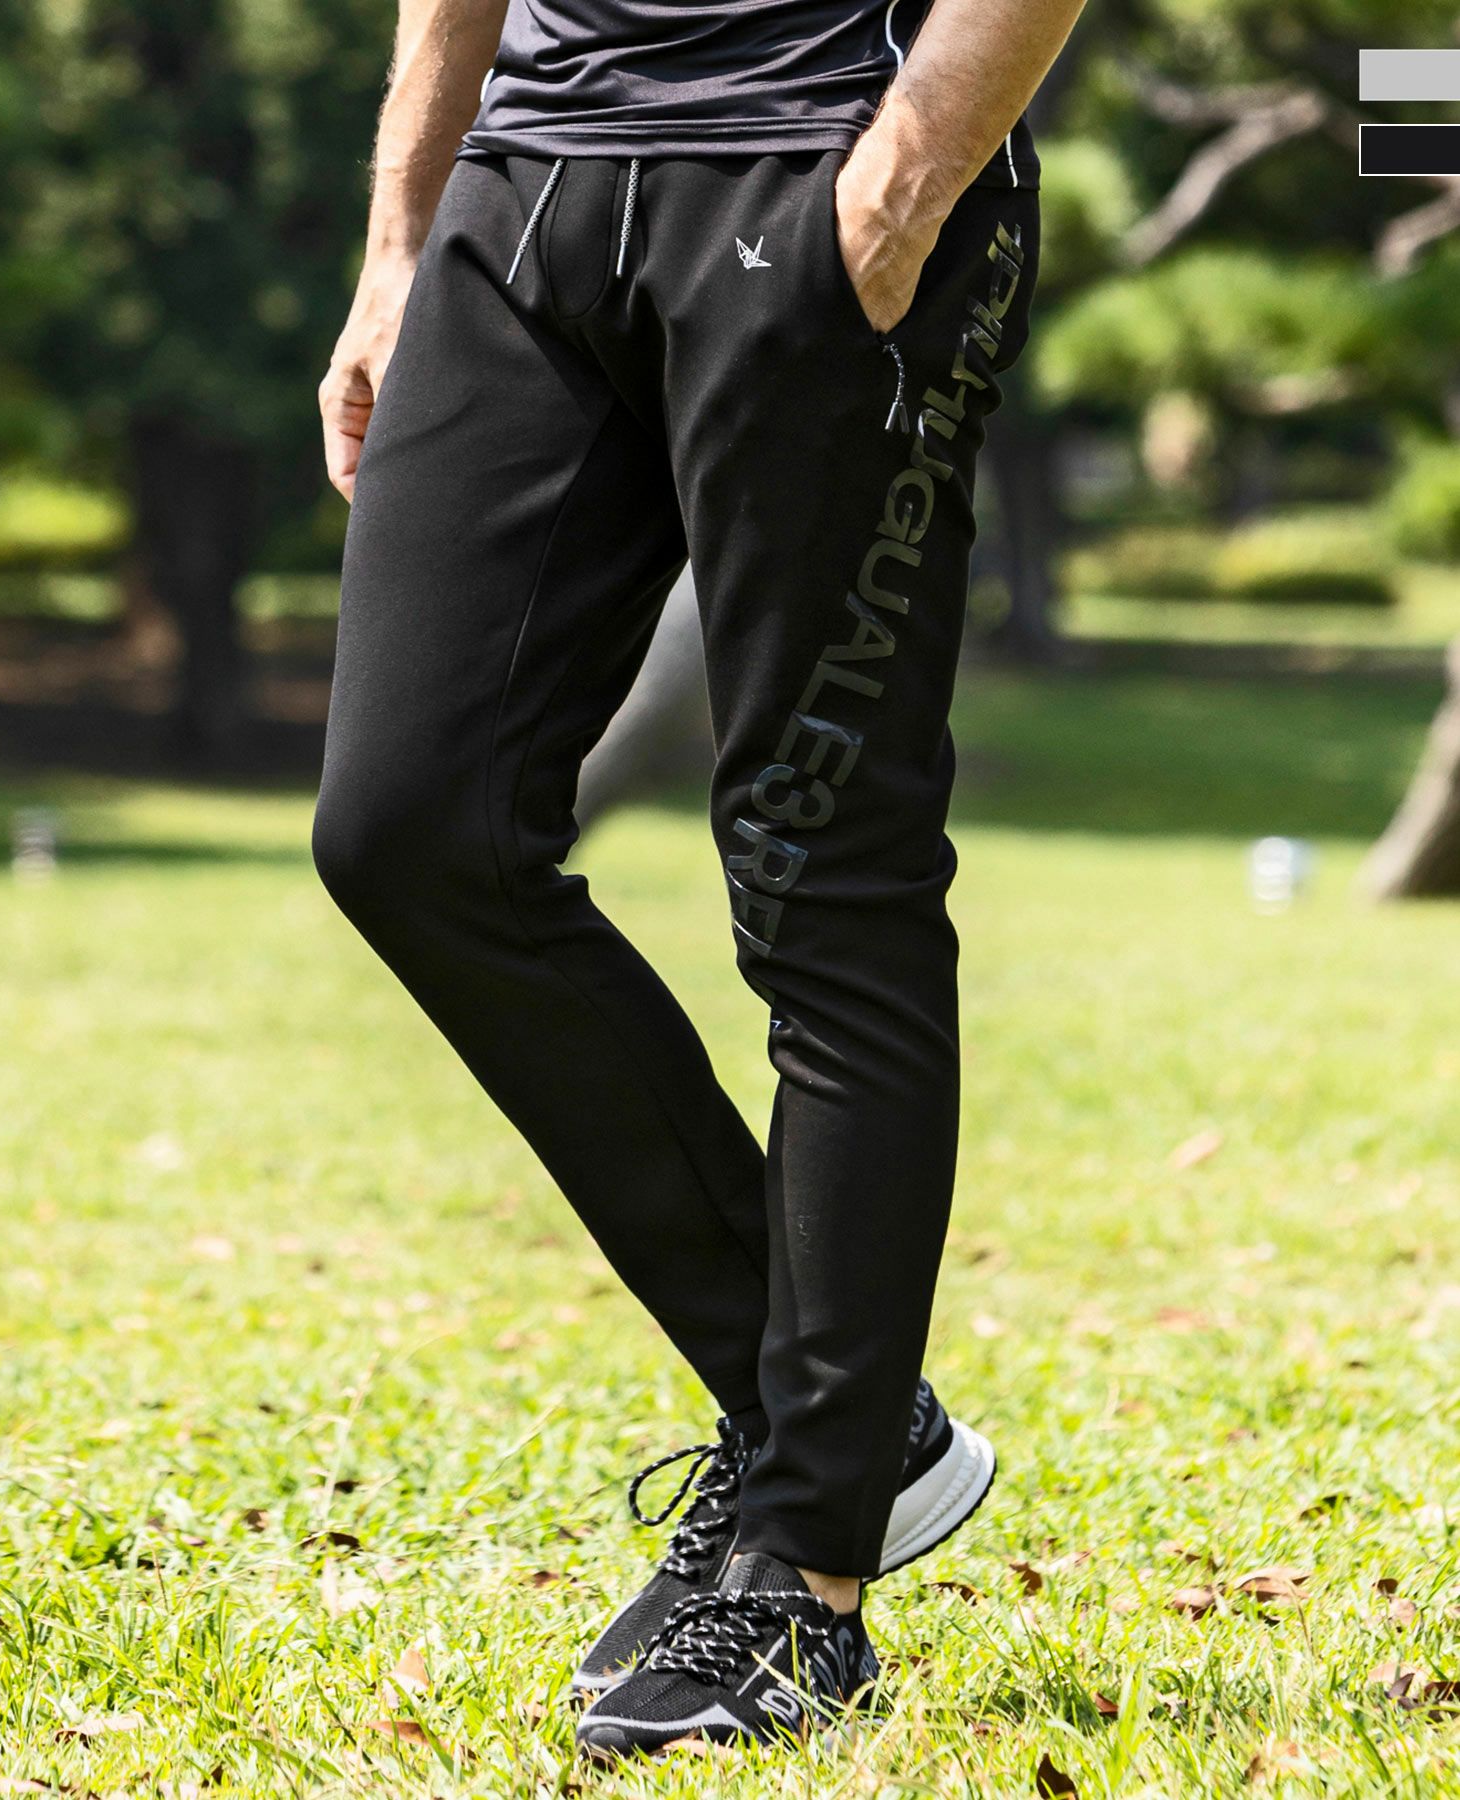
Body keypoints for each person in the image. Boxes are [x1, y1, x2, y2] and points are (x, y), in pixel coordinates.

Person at [314, 0, 1085, 1757]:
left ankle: (805, 1575)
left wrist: (903, 182)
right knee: (408, 832)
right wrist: (400, 238)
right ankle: (847, 1423)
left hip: (821, 155)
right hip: (526, 185)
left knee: (821, 871)